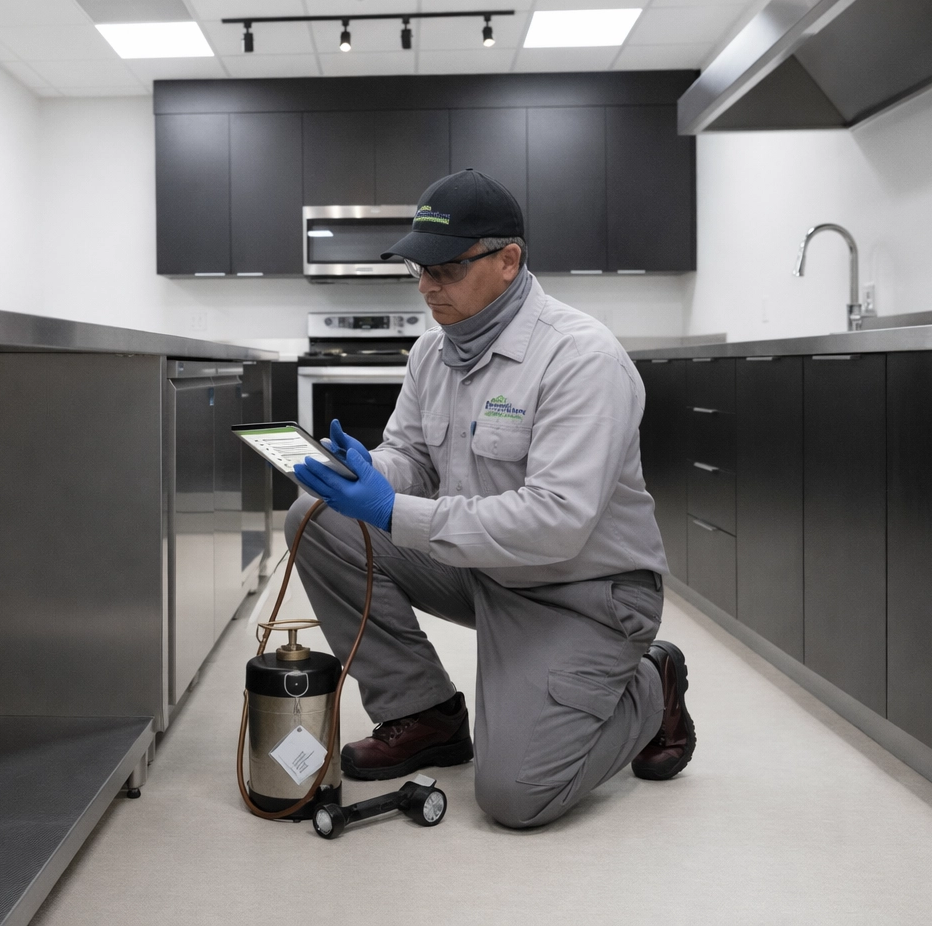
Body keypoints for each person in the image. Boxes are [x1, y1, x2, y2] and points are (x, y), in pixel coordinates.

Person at [288, 168, 695, 830]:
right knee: (317, 517)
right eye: (418, 269)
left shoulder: (579, 358)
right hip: (487, 573)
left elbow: (555, 523)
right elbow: (413, 458)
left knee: (515, 797)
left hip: (584, 594)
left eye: (445, 269)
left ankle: (653, 683)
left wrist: (392, 511)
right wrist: (369, 473)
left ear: (508, 261)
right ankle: (422, 713)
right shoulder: (432, 354)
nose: (426, 287)